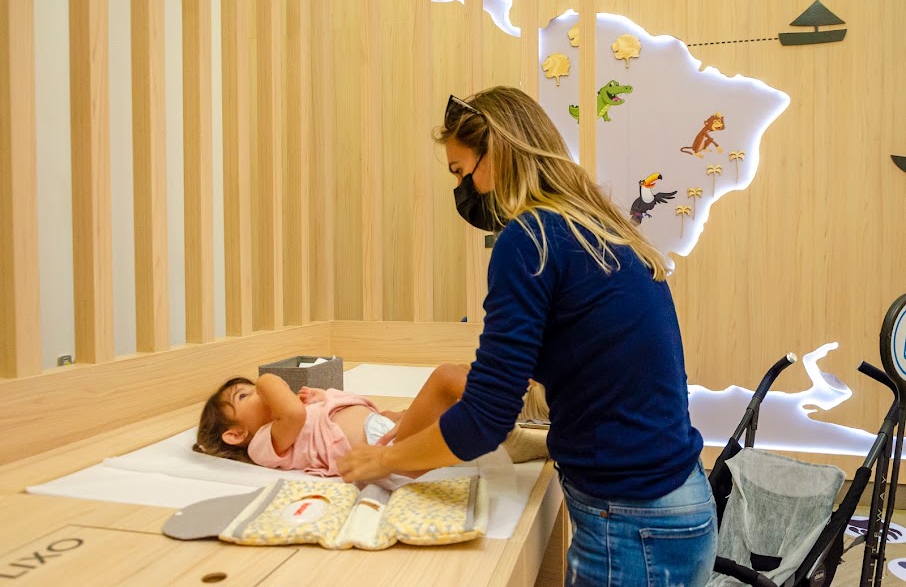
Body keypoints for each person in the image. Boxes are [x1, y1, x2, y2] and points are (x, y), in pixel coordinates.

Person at [337, 86, 717, 585]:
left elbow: (485, 419)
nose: (463, 189)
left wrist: (382, 459)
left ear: (496, 152)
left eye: (460, 171)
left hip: (630, 519)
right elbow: (556, 365)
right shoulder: (597, 229)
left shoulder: (530, 239)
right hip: (674, 500)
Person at [194, 365, 549, 476]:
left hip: (389, 437)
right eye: (246, 396)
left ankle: (525, 439)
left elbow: (328, 417)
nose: (259, 392)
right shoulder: (263, 442)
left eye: (253, 389)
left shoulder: (292, 420)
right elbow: (293, 413)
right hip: (394, 458)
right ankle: (528, 401)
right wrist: (266, 379)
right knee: (444, 380)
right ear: (235, 434)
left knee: (422, 405)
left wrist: (325, 400)